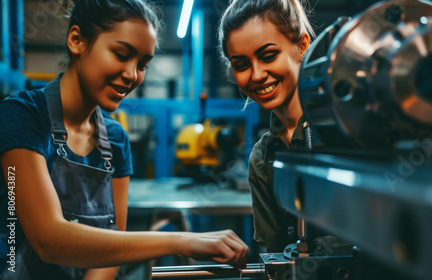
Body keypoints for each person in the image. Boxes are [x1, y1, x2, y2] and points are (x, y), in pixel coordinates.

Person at [0, 0, 248, 279]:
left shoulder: (115, 139)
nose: (132, 75)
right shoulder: (22, 117)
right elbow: (48, 239)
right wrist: (183, 240)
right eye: (121, 53)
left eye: (143, 64)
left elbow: (110, 248)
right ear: (77, 40)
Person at [218, 0, 326, 253]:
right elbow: (275, 256)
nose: (256, 75)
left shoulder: (348, 129)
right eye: (241, 65)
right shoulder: (262, 157)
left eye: (268, 56)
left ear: (302, 46)